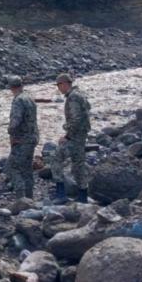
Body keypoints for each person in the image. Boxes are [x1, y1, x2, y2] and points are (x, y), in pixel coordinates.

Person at [51, 73, 92, 203]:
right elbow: (87, 110)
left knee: (56, 158)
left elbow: (76, 119)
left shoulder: (73, 97)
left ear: (64, 84)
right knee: (78, 164)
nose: (58, 88)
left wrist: (67, 136)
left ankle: (61, 194)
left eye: (59, 85)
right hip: (81, 135)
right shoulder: (80, 94)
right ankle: (83, 196)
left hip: (75, 137)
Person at [6, 75, 39, 199]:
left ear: (11, 87)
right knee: (27, 169)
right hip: (32, 138)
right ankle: (29, 198)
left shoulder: (18, 100)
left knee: (13, 168)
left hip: (22, 140)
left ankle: (21, 198)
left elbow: (15, 121)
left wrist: (11, 133)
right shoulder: (29, 98)